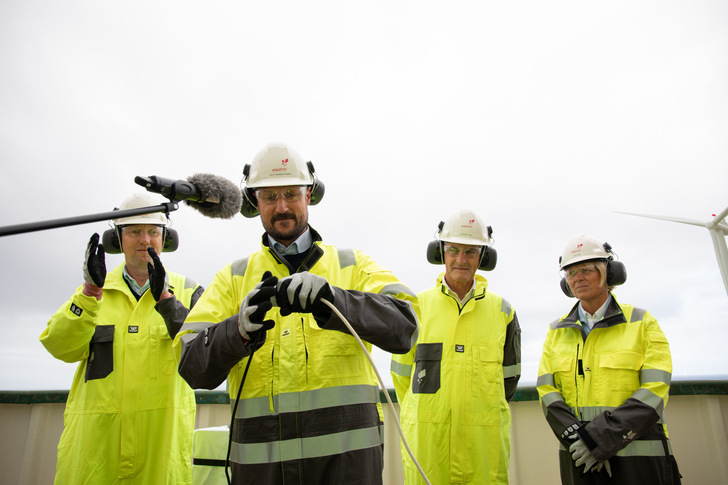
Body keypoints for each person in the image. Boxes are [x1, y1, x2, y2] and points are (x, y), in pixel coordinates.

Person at [173, 142, 420, 485]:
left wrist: (334, 300)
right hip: (263, 472)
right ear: (253, 202)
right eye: (270, 196)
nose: (282, 206)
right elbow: (190, 366)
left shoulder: (353, 264)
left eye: (291, 193)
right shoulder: (232, 279)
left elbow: (406, 326)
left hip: (346, 469)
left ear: (309, 195)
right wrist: (238, 331)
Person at [40, 192, 204, 485]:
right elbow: (60, 346)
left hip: (160, 449)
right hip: (95, 453)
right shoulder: (94, 291)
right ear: (117, 239)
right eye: (135, 232)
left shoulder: (190, 292)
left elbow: (206, 353)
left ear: (165, 238)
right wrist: (89, 293)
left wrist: (166, 299)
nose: (145, 240)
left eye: (154, 232)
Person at [537, 234, 682, 484]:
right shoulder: (556, 331)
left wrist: (599, 440)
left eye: (586, 270)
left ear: (610, 274)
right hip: (580, 458)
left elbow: (655, 390)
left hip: (638, 460)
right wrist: (581, 441)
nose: (577, 278)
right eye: (570, 273)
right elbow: (547, 391)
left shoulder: (642, 322)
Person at [391, 209, 522, 484]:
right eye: (453, 250)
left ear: (483, 257)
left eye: (471, 252)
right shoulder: (415, 307)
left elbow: (508, 380)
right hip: (428, 448)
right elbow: (402, 378)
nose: (461, 260)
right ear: (441, 253)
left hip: (482, 451)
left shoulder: (503, 312)